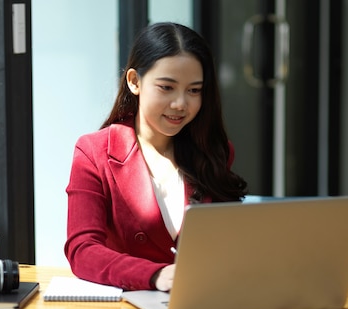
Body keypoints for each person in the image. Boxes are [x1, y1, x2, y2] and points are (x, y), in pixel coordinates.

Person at [65, 22, 247, 292]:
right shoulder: (94, 152)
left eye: (194, 90)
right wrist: (154, 275)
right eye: (166, 87)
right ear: (134, 82)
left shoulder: (214, 152)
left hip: (202, 303)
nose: (181, 104)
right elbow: (82, 251)